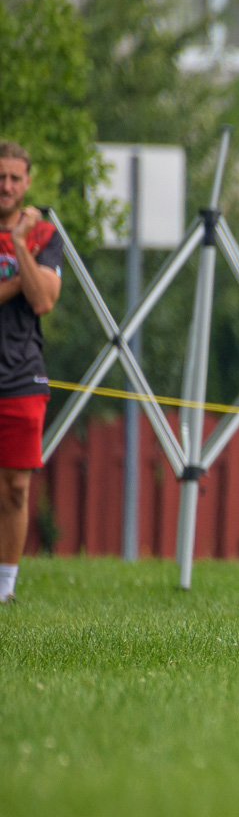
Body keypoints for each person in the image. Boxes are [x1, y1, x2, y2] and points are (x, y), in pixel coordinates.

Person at [0, 141, 61, 604]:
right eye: (0, 177)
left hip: (22, 372)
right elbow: (35, 286)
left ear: (27, 182)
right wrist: (27, 275)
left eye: (14, 178)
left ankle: (5, 588)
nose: (6, 186)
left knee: (17, 487)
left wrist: (20, 243)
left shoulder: (43, 234)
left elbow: (43, 301)